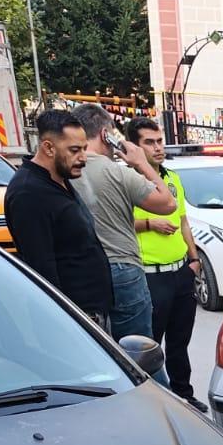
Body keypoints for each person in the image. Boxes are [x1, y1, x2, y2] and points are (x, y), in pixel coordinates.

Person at [70, 103, 176, 352]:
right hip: (122, 267)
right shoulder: (117, 173)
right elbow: (167, 203)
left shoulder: (65, 170)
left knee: (100, 348)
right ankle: (156, 392)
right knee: (140, 352)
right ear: (106, 134)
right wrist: (141, 163)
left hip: (85, 270)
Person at [3, 108, 113, 323]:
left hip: (91, 311)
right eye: (74, 150)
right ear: (48, 148)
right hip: (74, 318)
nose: (83, 157)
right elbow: (42, 267)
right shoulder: (29, 193)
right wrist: (67, 323)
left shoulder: (58, 179)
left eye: (84, 148)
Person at [129, 117, 205, 410]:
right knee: (148, 346)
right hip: (150, 276)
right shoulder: (128, 180)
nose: (158, 147)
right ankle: (154, 403)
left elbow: (183, 221)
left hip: (180, 272)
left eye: (159, 141)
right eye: (149, 142)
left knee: (179, 342)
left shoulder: (171, 179)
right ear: (134, 147)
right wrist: (149, 223)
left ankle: (183, 395)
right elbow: (114, 221)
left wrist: (194, 260)